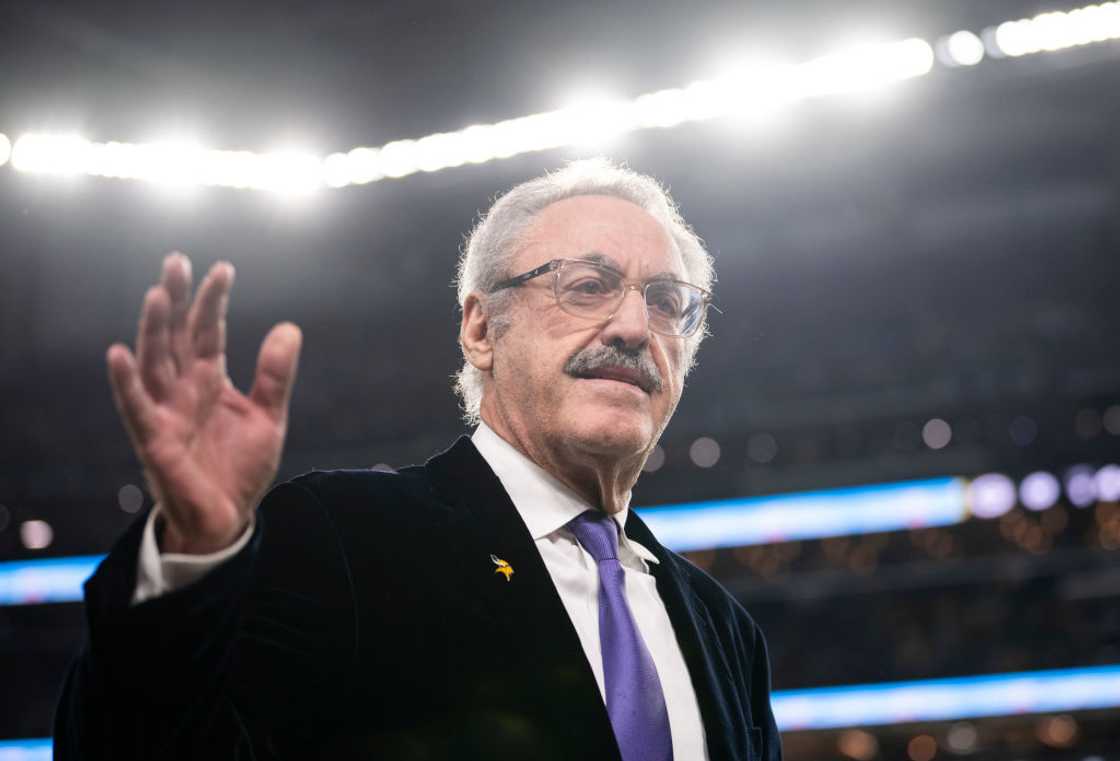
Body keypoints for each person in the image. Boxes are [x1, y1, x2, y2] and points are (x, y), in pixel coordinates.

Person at [54, 159, 782, 761]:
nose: (632, 325)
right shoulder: (342, 537)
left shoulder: (724, 630)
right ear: (480, 328)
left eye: (666, 302)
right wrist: (190, 560)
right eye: (587, 286)